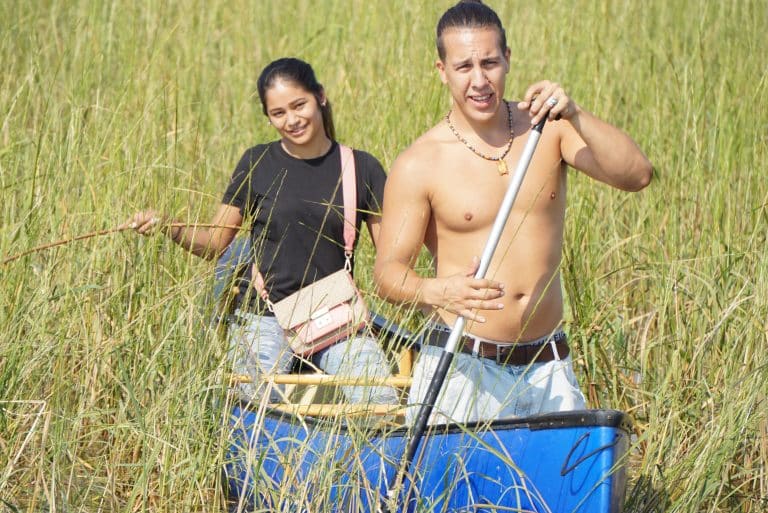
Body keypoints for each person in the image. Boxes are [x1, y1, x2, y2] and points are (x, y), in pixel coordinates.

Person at [373, 0, 652, 425]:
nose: (479, 80)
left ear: (507, 59)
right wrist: (438, 291)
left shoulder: (547, 128)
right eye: (464, 67)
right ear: (442, 71)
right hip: (463, 365)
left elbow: (636, 175)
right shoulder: (420, 162)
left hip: (549, 364)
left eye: (489, 62)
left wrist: (576, 113)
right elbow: (388, 273)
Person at [124, 57, 398, 407]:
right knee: (250, 410)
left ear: (320, 97)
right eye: (278, 113)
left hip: (337, 318)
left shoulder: (362, 167)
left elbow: (391, 258)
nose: (292, 120)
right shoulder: (257, 162)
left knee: (381, 404)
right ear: (268, 117)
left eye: (299, 105)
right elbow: (215, 243)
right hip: (264, 317)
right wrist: (168, 226)